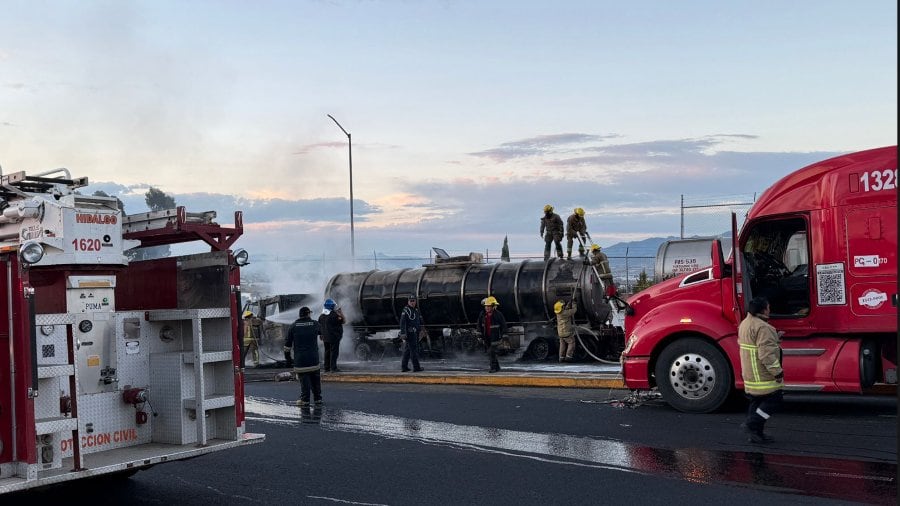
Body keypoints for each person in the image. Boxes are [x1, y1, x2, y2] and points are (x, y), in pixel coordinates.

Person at [738, 296, 784, 444]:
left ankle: (756, 434)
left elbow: (756, 343)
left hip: (750, 372)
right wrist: (777, 372)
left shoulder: (745, 323)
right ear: (764, 310)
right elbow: (767, 355)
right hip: (761, 374)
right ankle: (753, 424)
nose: (770, 309)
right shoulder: (764, 327)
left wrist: (774, 338)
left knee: (756, 401)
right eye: (768, 307)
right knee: (774, 399)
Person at [283, 306, 323, 407]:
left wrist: (288, 359)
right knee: (316, 379)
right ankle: (318, 398)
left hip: (301, 360)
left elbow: (287, 345)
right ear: (308, 314)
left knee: (304, 380)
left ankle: (305, 400)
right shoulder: (315, 324)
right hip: (314, 359)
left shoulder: (293, 326)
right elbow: (322, 333)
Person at [476, 296, 507, 372]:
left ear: (493, 307)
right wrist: (479, 335)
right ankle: (497, 367)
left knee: (491, 352)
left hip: (495, 337)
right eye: (486, 306)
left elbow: (504, 325)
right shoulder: (482, 314)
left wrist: (504, 336)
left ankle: (493, 368)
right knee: (491, 352)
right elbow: (479, 325)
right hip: (486, 337)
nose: (487, 308)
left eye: (488, 306)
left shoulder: (498, 315)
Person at [318, 298, 344, 373]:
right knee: (334, 352)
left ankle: (327, 368)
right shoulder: (334, 315)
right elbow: (343, 321)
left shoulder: (321, 316)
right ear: (332, 306)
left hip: (325, 338)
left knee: (327, 352)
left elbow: (320, 326)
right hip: (334, 337)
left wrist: (321, 334)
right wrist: (340, 312)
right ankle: (333, 368)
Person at [399, 296, 425, 372]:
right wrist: (403, 333)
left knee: (407, 351)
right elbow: (402, 322)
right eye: (411, 301)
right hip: (410, 333)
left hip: (415, 332)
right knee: (414, 351)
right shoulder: (406, 310)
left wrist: (421, 330)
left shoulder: (415, 310)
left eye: (413, 301)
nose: (412, 302)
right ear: (408, 302)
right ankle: (416, 367)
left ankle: (404, 367)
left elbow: (418, 321)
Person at [554, 296, 577, 362]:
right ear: (561, 308)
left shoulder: (558, 313)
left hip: (560, 333)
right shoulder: (565, 313)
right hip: (566, 332)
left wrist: (569, 303)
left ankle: (561, 358)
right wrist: (574, 303)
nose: (563, 306)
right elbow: (574, 310)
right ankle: (568, 357)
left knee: (562, 345)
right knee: (571, 343)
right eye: (562, 306)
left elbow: (565, 309)